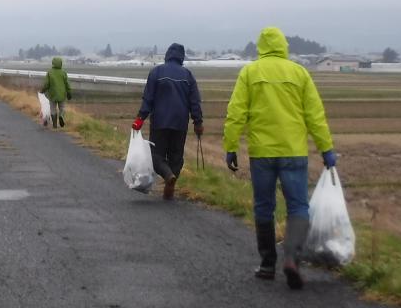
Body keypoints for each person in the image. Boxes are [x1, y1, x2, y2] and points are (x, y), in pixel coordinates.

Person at [223, 27, 336, 289]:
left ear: (261, 46)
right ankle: (292, 259)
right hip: (293, 151)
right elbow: (315, 116)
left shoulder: (250, 72)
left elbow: (236, 112)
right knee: (298, 206)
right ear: (283, 45)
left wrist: (230, 146)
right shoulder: (299, 72)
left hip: (262, 153)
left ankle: (267, 265)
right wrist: (326, 149)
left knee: (264, 206)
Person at [132, 42, 204, 200]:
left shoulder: (156, 72)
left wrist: (140, 119)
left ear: (167, 55)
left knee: (156, 155)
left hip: (160, 121)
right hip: (180, 123)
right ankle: (171, 181)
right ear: (181, 57)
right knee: (176, 157)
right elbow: (194, 102)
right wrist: (198, 122)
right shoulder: (188, 75)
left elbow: (148, 99)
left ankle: (167, 175)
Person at [41, 56, 72, 127]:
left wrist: (42, 90)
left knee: (53, 109)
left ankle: (54, 124)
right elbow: (67, 84)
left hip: (52, 94)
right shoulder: (63, 73)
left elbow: (46, 84)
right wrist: (69, 93)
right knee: (62, 108)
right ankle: (61, 116)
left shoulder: (49, 73)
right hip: (62, 94)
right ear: (61, 63)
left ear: (53, 63)